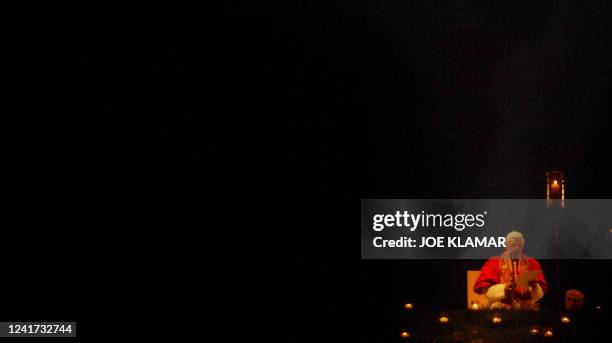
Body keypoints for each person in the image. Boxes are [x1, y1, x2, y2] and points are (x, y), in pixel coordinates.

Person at [473, 231, 548, 310]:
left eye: (520, 245)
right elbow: (486, 291)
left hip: (526, 311)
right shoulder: (493, 262)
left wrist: (534, 286)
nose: (517, 248)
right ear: (506, 245)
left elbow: (540, 295)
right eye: (513, 245)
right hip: (500, 311)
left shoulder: (532, 262)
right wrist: (504, 288)